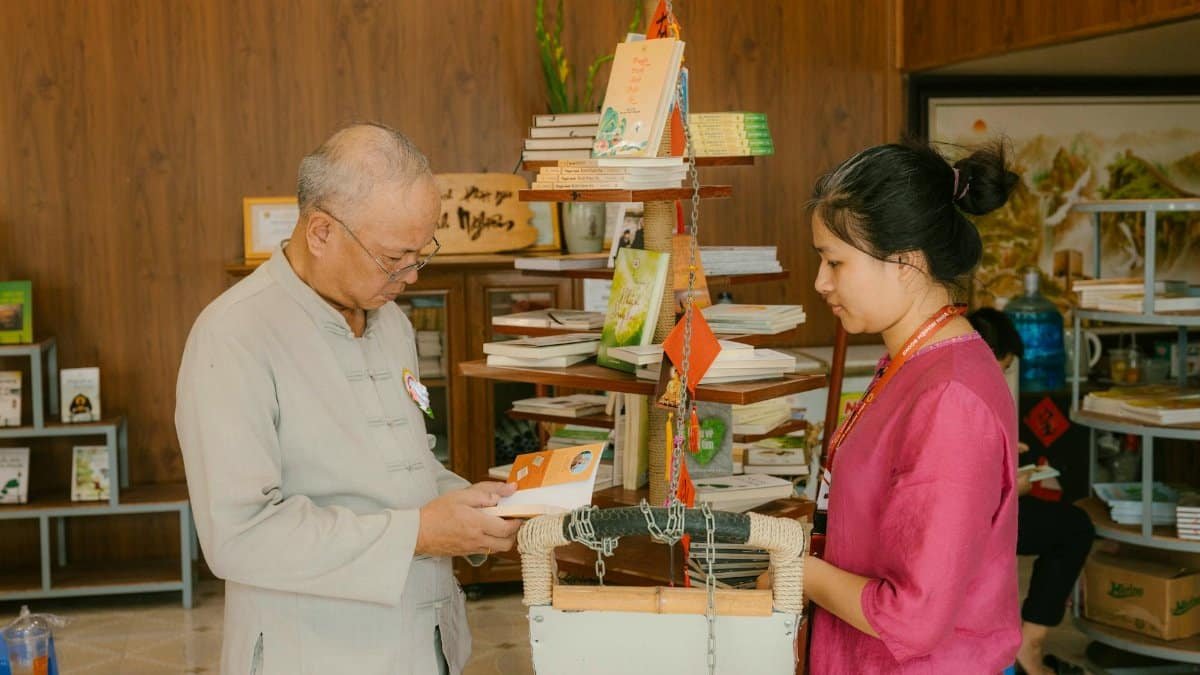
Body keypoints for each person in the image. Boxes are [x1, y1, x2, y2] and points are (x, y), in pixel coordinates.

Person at [175, 123, 522, 675]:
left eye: (421, 254)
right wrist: (422, 532)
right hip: (315, 652)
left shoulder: (393, 324)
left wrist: (477, 506)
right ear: (320, 231)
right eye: (394, 257)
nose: (409, 276)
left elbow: (405, 469)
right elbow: (239, 536)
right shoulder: (234, 335)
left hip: (422, 641)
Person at [802, 139, 1022, 673]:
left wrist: (795, 566)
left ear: (904, 262)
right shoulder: (909, 363)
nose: (821, 282)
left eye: (835, 262)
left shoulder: (951, 398)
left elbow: (913, 617)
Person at [968, 307, 1093, 675]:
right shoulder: (966, 391)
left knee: (1068, 524)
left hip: (966, 516)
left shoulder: (948, 381)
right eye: (1003, 367)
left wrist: (1006, 457)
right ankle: (1030, 646)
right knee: (1074, 529)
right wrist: (1014, 485)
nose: (1003, 376)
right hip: (973, 523)